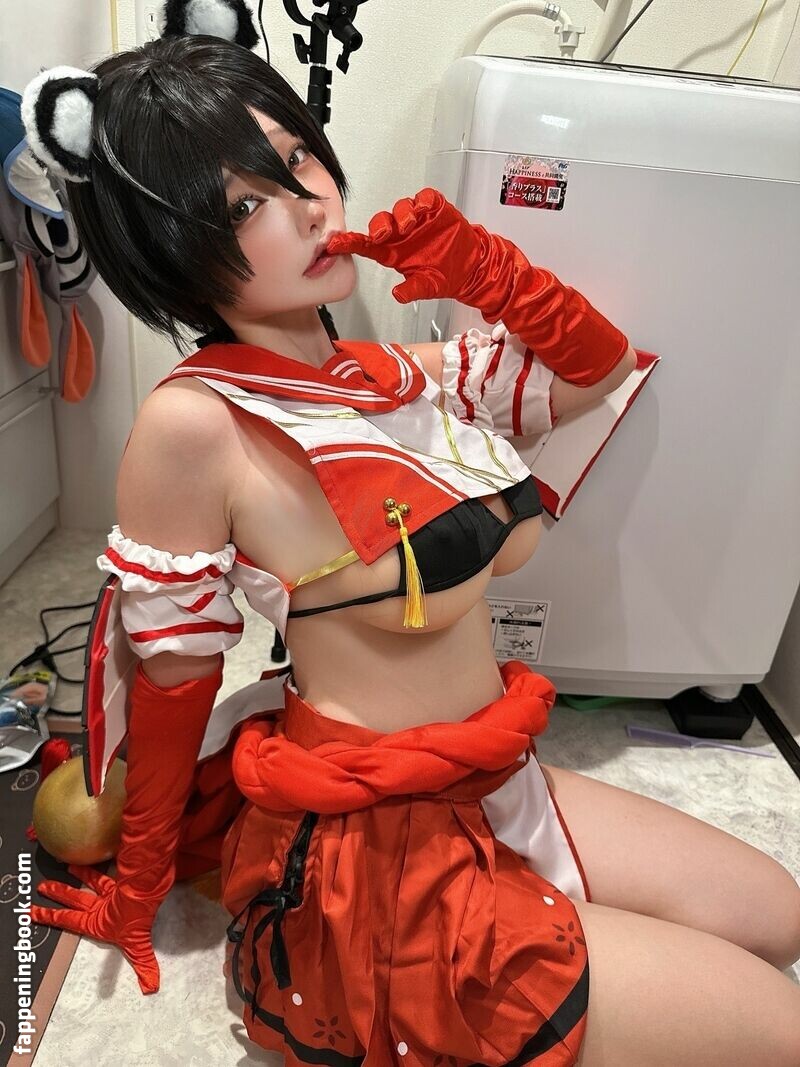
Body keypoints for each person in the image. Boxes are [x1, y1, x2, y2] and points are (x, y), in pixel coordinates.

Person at [21, 3, 800, 1065]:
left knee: (777, 914)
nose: (305, 206)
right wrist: (138, 876)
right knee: (778, 1027)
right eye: (244, 202)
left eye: (298, 160)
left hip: (492, 775)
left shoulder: (395, 378)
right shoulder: (196, 423)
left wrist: (480, 264)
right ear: (173, 246)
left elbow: (599, 369)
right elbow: (173, 681)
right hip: (377, 851)